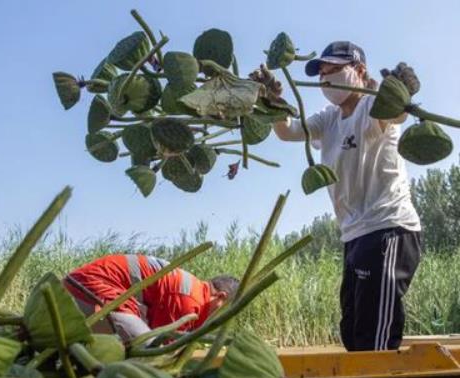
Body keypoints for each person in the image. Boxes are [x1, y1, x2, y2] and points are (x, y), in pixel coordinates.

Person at [259, 41, 422, 351]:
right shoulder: (329, 117)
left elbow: (395, 115)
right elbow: (289, 131)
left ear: (359, 71)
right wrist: (271, 100)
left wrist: (400, 93)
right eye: (321, 73)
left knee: (374, 337)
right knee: (351, 329)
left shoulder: (373, 106)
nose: (325, 79)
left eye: (332, 70)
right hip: (354, 235)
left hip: (389, 228)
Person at [63, 254, 239, 343]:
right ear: (220, 297)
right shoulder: (190, 300)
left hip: (85, 286)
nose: (222, 320)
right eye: (227, 311)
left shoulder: (193, 289)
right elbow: (164, 345)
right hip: (90, 287)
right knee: (147, 346)